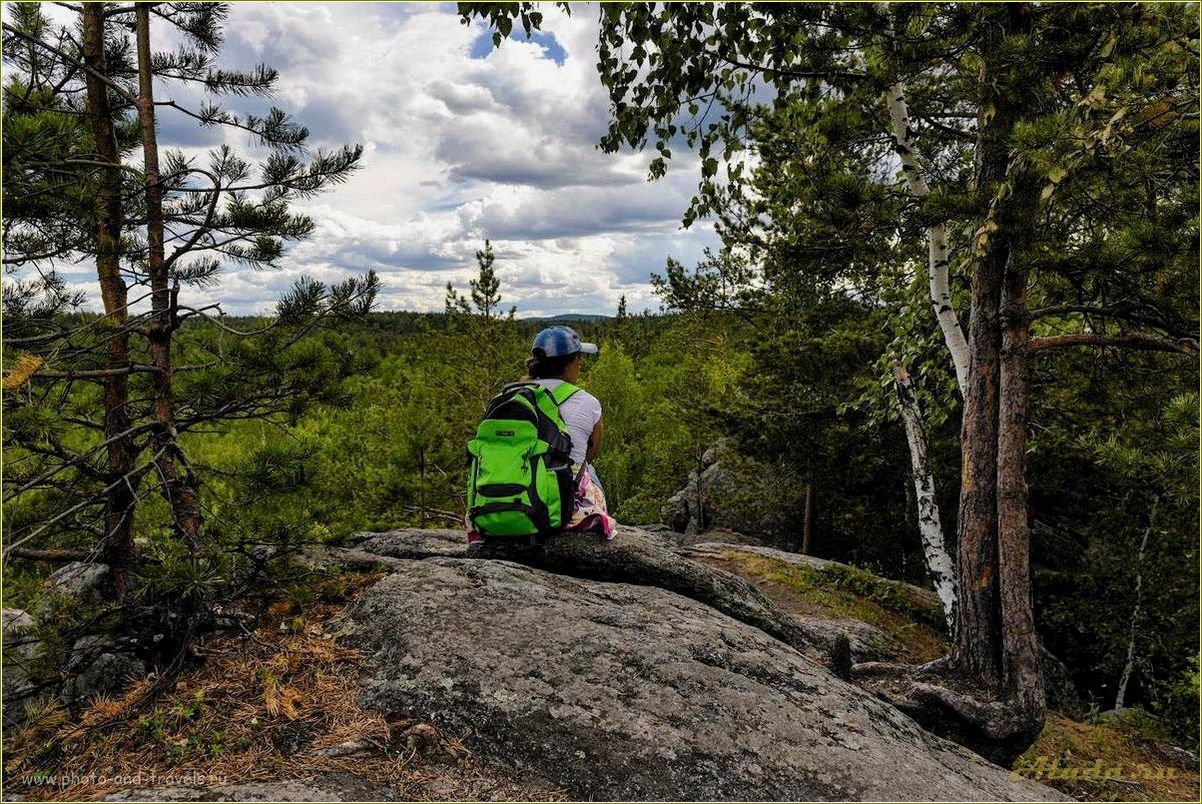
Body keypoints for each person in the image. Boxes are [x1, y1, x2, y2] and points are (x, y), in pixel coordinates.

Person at [523, 326, 615, 538]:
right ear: (569, 364)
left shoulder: (511, 395)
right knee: (588, 469)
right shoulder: (588, 403)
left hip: (513, 496)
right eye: (578, 359)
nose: (580, 365)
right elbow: (590, 455)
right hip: (559, 507)